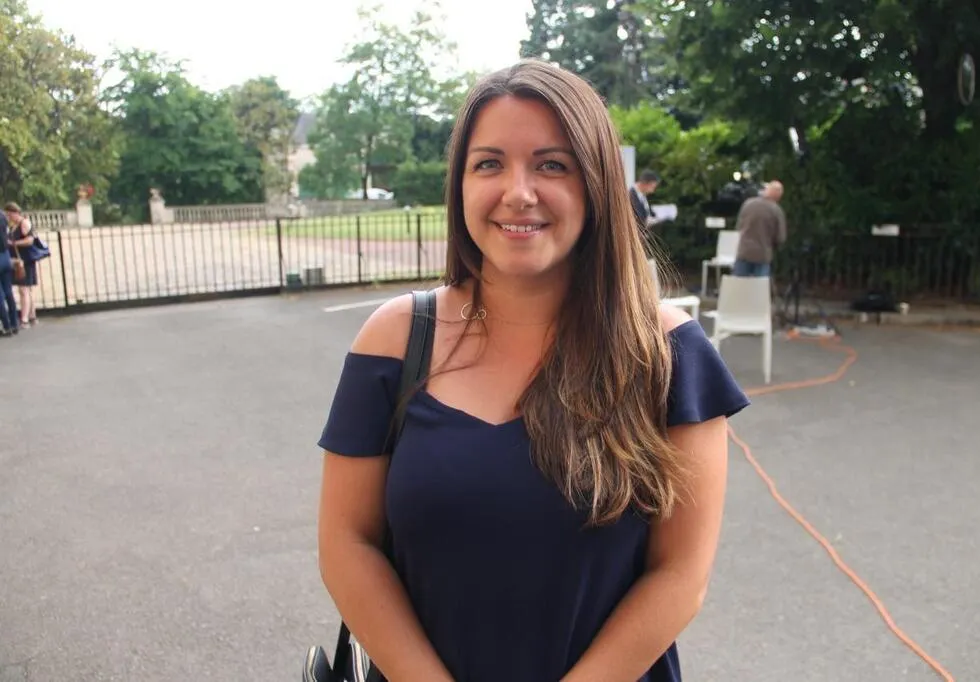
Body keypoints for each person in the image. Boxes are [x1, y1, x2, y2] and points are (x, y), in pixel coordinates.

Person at [317, 59, 750, 682]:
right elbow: (347, 544)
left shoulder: (667, 353)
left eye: (552, 165)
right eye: (488, 163)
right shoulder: (395, 339)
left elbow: (680, 575)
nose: (518, 192)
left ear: (597, 184)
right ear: (460, 185)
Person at [733, 180, 787, 277]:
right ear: (778, 196)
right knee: (760, 285)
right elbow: (780, 237)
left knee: (739, 283)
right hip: (763, 254)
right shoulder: (776, 210)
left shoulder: (748, 204)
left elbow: (739, 227)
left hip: (744, 252)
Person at [5, 202, 38, 327]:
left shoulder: (24, 223)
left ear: (15, 213)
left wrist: (14, 243)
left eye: (9, 215)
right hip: (20, 260)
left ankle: (24, 319)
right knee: (26, 289)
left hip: (25, 260)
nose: (9, 217)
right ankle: (32, 316)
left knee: (24, 289)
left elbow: (30, 240)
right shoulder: (14, 225)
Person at [0, 209, 18, 337]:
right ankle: (14, 323)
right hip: (5, 255)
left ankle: (6, 326)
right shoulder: (2, 216)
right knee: (8, 291)